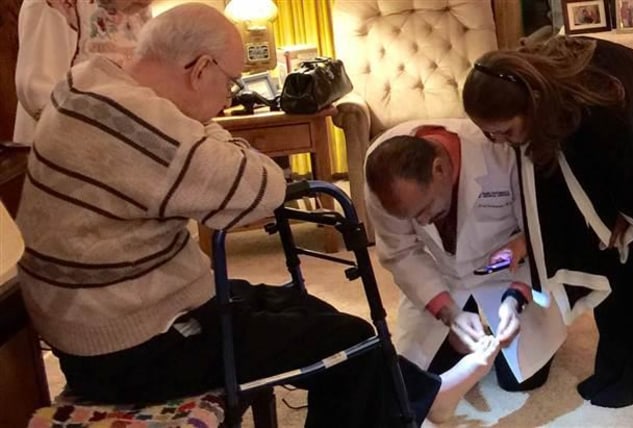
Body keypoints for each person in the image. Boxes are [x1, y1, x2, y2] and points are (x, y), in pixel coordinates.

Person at [12, 4, 469, 427]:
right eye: (230, 82)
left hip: (106, 318)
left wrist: (202, 130)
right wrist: (207, 131)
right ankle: (422, 397)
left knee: (303, 308)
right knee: (350, 343)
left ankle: (423, 394)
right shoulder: (147, 128)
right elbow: (264, 187)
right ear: (201, 69)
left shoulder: (88, 80)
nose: (228, 99)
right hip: (128, 347)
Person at [462, 36, 633, 408]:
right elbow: (567, 183)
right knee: (604, 257)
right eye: (490, 133)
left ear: (532, 106)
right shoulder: (539, 95)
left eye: (504, 131)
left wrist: (624, 215)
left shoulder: (598, 101)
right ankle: (615, 361)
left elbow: (625, 163)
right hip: (622, 133)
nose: (497, 141)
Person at [364, 119, 588, 419]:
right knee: (418, 376)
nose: (424, 222)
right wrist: (449, 313)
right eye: (412, 217)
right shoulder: (380, 175)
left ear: (439, 169)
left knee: (521, 379)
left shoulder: (503, 153)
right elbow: (401, 252)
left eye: (426, 208)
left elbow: (542, 232)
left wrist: (514, 299)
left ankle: (497, 329)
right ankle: (464, 331)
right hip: (440, 276)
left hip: (508, 273)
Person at [13, 0, 153, 145]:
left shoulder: (137, 10)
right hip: (67, 149)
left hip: (122, 146)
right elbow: (38, 91)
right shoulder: (52, 4)